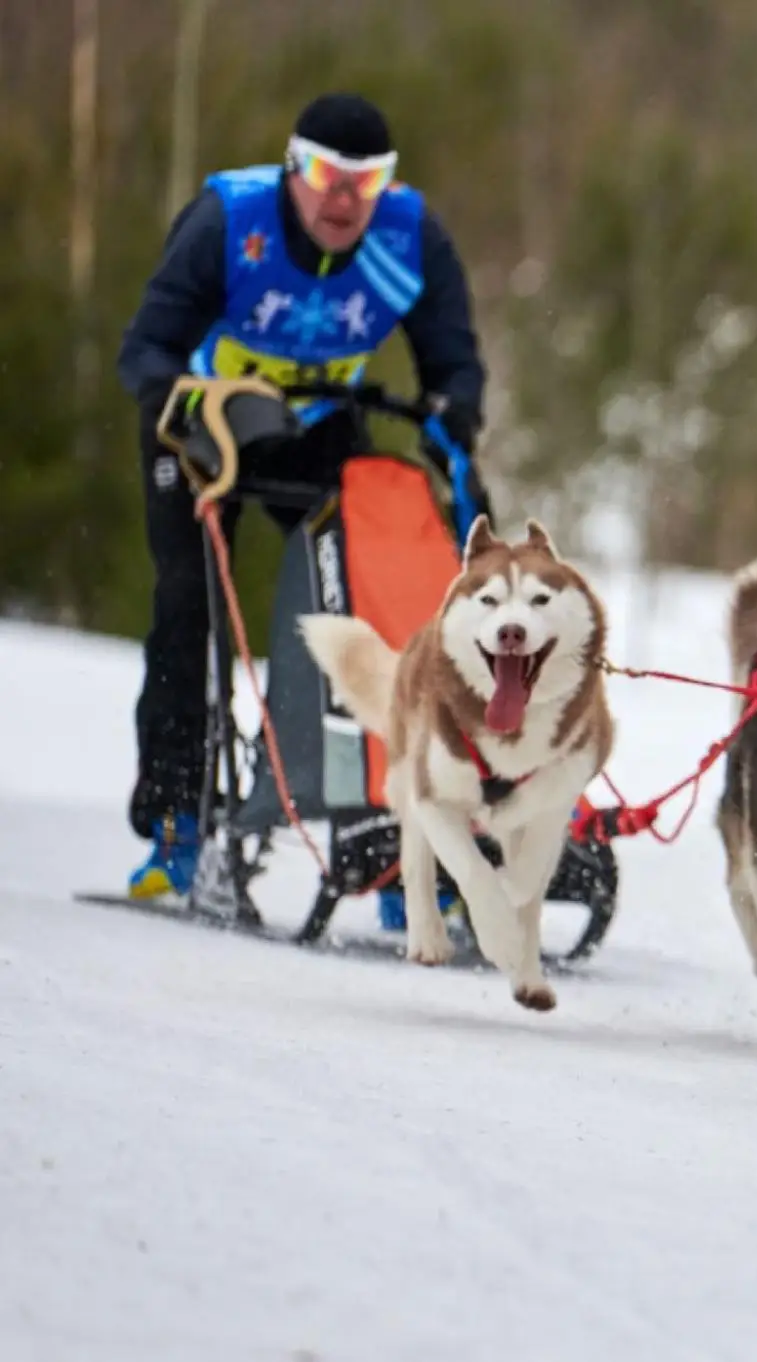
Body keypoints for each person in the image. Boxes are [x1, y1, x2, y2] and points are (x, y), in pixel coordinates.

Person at [116, 92, 491, 930]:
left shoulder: (407, 236)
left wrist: (451, 414)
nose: (341, 200)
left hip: (319, 425)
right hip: (205, 423)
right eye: (324, 176)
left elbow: (455, 363)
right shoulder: (230, 222)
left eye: (366, 182)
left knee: (376, 610)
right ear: (292, 168)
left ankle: (399, 839)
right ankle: (178, 825)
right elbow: (145, 349)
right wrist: (188, 406)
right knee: (187, 608)